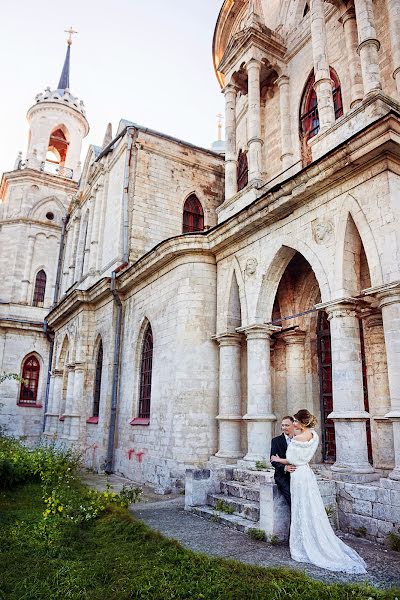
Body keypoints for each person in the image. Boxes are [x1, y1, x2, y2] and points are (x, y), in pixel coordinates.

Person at [271, 409, 367, 574]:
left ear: (300, 422)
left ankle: (304, 545)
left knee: (301, 507)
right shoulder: (314, 436)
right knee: (311, 506)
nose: (292, 424)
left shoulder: (297, 439)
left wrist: (277, 459)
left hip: (298, 475)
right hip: (307, 473)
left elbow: (292, 459)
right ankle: (313, 537)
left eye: (294, 421)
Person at [270, 416, 296, 506]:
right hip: (282, 476)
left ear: (293, 425)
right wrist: (285, 467)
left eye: (287, 425)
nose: (284, 427)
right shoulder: (276, 441)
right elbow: (273, 460)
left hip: (297, 473)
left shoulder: (298, 440)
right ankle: (295, 519)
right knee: (291, 497)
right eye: (283, 425)